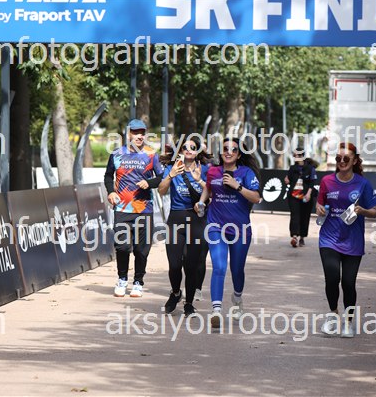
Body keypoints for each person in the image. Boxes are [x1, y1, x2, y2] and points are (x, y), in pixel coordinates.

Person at [195, 137, 261, 329]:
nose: (229, 152)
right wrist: (201, 202)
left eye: (233, 149)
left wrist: (237, 186)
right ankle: (216, 310)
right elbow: (208, 188)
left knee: (237, 269)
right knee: (219, 266)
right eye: (225, 149)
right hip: (216, 226)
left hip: (240, 229)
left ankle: (237, 298)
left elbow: (256, 198)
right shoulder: (213, 171)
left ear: (239, 155)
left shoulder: (246, 173)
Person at [315, 142, 376, 338]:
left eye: (346, 159)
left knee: (348, 283)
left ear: (355, 160)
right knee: (332, 278)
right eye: (338, 158)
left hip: (353, 241)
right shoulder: (327, 181)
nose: (341, 162)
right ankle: (333, 315)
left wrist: (363, 211)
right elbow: (320, 204)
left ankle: (348, 322)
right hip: (329, 238)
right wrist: (319, 209)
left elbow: (375, 211)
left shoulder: (363, 184)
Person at [104, 119, 163, 298]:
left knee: (141, 250)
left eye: (142, 133)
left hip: (144, 209)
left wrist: (149, 183)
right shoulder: (116, 154)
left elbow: (161, 177)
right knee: (122, 247)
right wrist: (111, 192)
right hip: (122, 209)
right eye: (135, 133)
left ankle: (138, 282)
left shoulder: (151, 154)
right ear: (128, 134)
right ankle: (122, 279)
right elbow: (108, 176)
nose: (139, 136)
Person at [158, 136, 211, 316]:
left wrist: (200, 186)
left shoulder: (205, 169)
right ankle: (175, 293)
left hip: (196, 219)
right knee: (174, 264)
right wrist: (171, 175)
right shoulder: (172, 168)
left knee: (191, 265)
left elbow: (212, 193)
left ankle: (189, 303)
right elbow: (161, 191)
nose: (189, 150)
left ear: (198, 151)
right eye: (185, 147)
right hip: (176, 217)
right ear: (180, 151)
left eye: (193, 147)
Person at [285, 152, 317, 247]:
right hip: (293, 195)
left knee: (305, 216)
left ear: (302, 156)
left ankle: (302, 237)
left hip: (306, 196)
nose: (295, 157)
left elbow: (312, 182)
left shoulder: (310, 168)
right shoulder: (292, 168)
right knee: (294, 215)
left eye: (297, 155)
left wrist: (308, 194)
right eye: (294, 155)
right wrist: (287, 180)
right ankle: (294, 236)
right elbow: (288, 179)